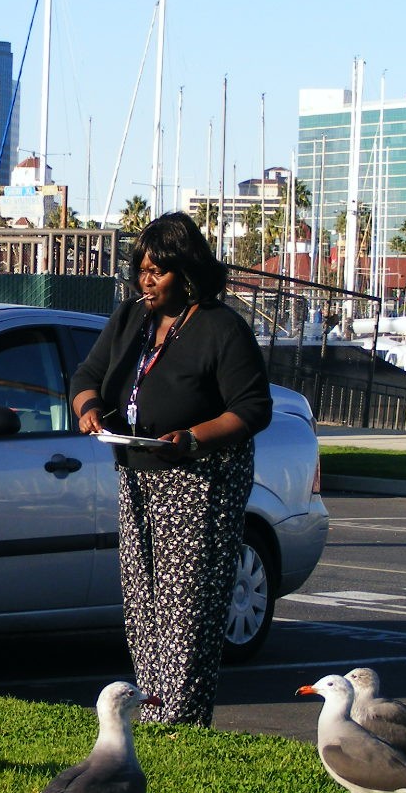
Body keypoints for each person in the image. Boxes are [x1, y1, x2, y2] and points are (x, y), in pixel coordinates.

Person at [69, 211, 273, 726]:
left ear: (187, 273)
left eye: (157, 271)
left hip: (199, 483)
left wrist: (192, 438)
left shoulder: (220, 328)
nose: (146, 279)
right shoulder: (130, 319)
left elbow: (252, 409)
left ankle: (182, 724)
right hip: (137, 475)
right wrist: (88, 406)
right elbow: (88, 374)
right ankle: (153, 713)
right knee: (143, 607)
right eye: (141, 269)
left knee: (186, 613)